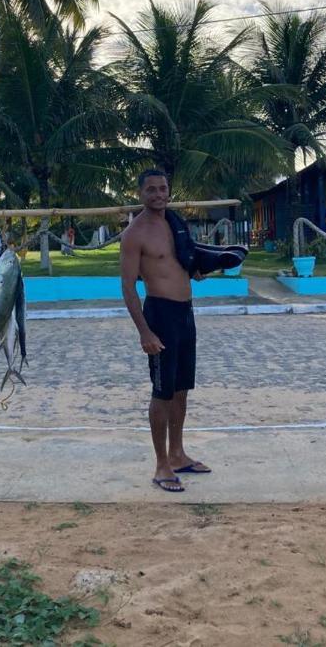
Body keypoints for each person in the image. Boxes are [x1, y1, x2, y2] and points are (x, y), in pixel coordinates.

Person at [120, 169, 211, 493]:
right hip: (159, 315)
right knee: (162, 392)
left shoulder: (176, 223)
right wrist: (144, 332)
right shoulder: (135, 233)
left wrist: (198, 269)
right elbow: (128, 287)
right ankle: (161, 465)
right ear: (140, 194)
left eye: (163, 188)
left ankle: (177, 454)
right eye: (151, 190)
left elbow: (183, 262)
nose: (158, 194)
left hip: (185, 314)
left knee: (182, 389)